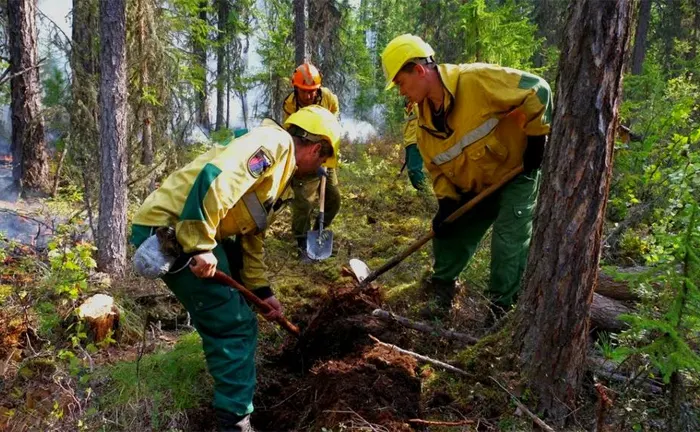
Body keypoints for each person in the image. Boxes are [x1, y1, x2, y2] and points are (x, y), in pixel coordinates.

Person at [130, 105, 341, 431]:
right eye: (322, 161)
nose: (319, 169)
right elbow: (216, 178)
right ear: (315, 148)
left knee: (238, 312)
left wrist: (262, 292)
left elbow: (250, 236)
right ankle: (234, 423)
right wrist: (199, 244)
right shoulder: (273, 144)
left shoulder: (280, 172)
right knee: (233, 325)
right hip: (172, 232)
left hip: (198, 229)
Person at [381, 34, 552, 319]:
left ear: (419, 70)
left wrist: (536, 140)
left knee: (508, 245)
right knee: (448, 234)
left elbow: (538, 89)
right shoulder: (423, 126)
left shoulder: (475, 80)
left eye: (400, 82)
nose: (401, 92)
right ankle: (441, 295)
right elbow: (437, 170)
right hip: (474, 186)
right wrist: (446, 203)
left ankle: (500, 312)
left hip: (515, 174)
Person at [282, 62, 342, 260]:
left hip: (323, 154)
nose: (308, 96)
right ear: (296, 88)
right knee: (304, 203)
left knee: (334, 198)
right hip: (305, 158)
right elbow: (291, 135)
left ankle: (318, 232)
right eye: (304, 92)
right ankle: (301, 242)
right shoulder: (290, 105)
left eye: (312, 92)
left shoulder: (329, 99)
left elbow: (333, 126)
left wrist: (325, 156)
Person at [402, 98, 426, 190]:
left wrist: (415, 104)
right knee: (411, 171)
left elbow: (423, 119)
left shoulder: (417, 106)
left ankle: (424, 192)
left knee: (414, 170)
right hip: (408, 143)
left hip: (416, 142)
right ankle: (423, 193)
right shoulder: (406, 111)